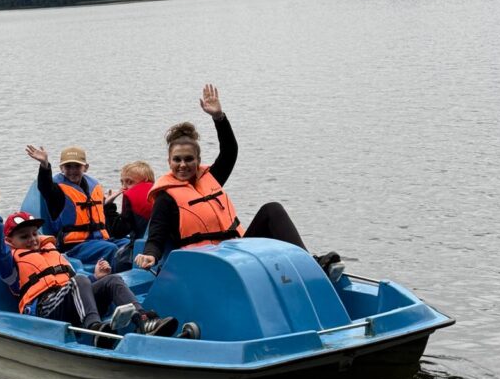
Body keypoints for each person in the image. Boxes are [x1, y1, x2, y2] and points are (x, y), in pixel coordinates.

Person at [134, 84, 343, 279]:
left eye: (189, 159)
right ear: (169, 162)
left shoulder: (211, 178)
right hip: (205, 262)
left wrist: (219, 117)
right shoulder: (166, 198)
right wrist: (150, 255)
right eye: (177, 160)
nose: (182, 165)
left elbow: (230, 151)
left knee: (272, 209)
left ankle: (310, 265)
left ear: (198, 161)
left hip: (237, 252)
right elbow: (156, 237)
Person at [0, 182, 180, 341]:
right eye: (24, 237)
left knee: (111, 280)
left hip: (68, 301)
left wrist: (96, 278)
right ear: (10, 241)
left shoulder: (50, 251)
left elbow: (74, 286)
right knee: (80, 280)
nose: (32, 239)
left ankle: (144, 321)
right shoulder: (10, 263)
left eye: (34, 234)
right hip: (44, 309)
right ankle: (94, 329)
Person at [25, 144, 126, 269]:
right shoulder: (57, 191)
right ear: (61, 168)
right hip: (73, 246)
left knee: (127, 244)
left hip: (99, 241)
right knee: (110, 248)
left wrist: (108, 205)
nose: (72, 170)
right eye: (68, 166)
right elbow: (45, 186)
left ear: (86, 168)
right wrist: (44, 165)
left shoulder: (93, 185)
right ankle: (113, 278)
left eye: (77, 166)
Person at [104, 161, 155, 270]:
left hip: (141, 249)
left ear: (145, 180)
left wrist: (109, 206)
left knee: (118, 258)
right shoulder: (160, 193)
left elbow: (118, 232)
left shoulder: (131, 195)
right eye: (122, 182)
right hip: (159, 247)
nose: (124, 187)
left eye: (129, 182)